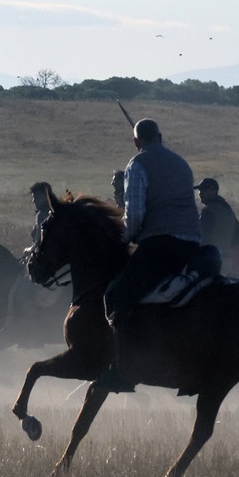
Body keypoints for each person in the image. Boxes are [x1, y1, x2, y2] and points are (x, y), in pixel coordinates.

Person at [96, 118, 201, 392]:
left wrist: (125, 238)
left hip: (160, 244)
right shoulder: (181, 163)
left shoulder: (137, 165)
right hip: (192, 245)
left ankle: (124, 368)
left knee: (115, 295)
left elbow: (136, 214)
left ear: (136, 142)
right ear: (161, 136)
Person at [194, 177, 239, 275]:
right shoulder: (227, 209)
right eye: (200, 191)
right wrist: (225, 247)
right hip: (227, 260)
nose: (200, 194)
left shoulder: (208, 211)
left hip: (210, 261)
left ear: (213, 191)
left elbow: (203, 238)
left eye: (203, 190)